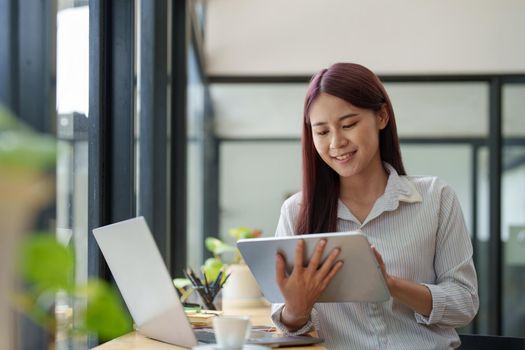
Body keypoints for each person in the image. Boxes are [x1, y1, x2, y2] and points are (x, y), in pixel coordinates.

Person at [271, 63, 479, 349]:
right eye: (322, 132)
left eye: (348, 125)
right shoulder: (296, 211)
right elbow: (287, 323)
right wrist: (296, 307)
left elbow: (465, 304)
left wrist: (390, 285)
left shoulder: (436, 197)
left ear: (381, 116)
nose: (336, 142)